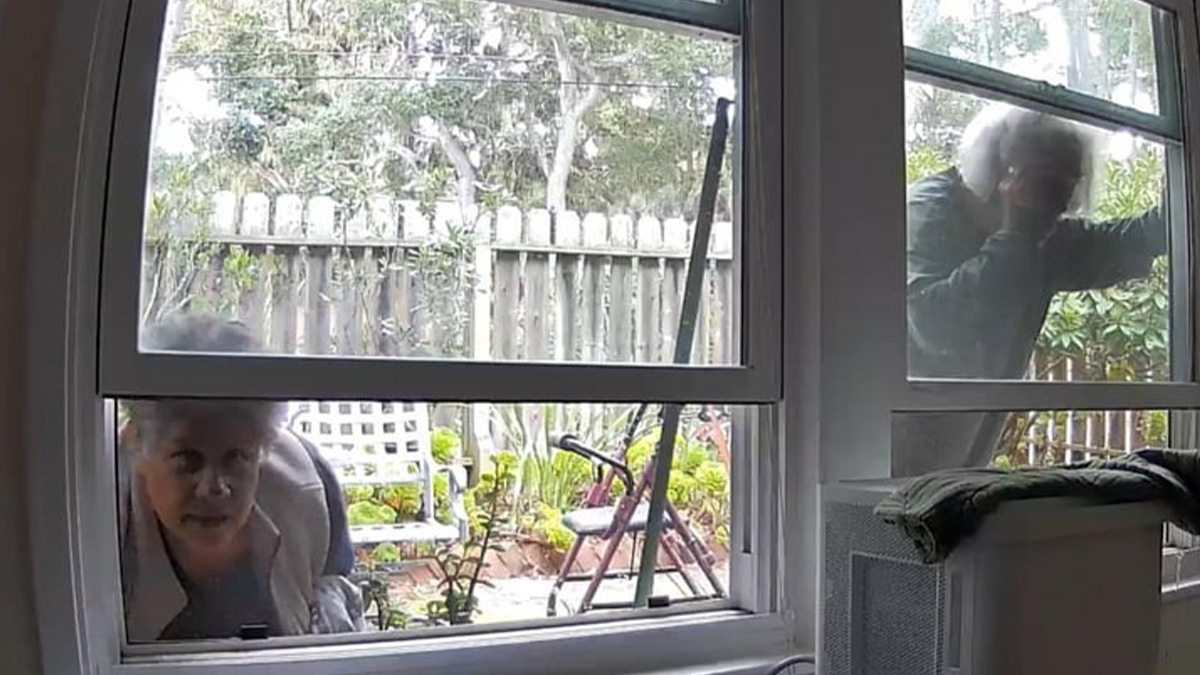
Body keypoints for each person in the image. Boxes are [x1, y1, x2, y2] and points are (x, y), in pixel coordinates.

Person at [895, 105, 1166, 476]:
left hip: (960, 463)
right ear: (999, 172)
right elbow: (934, 324)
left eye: (1068, 188)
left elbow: (1115, 244)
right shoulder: (926, 213)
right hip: (881, 454)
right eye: (1048, 186)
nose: (1060, 206)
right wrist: (1017, 234)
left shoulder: (1039, 233)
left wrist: (1174, 215)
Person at [118, 314, 361, 641]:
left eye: (236, 458)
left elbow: (333, 616)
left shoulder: (307, 489)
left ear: (262, 449)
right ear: (138, 445)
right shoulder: (100, 515)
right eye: (187, 460)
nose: (213, 488)